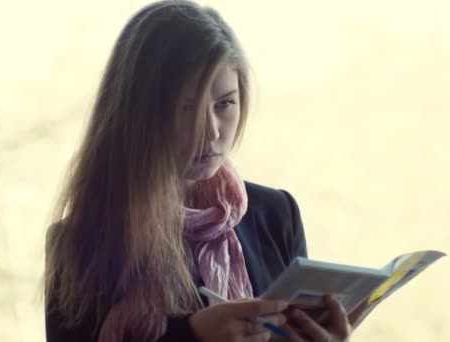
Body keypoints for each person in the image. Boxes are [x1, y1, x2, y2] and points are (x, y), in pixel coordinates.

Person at [42, 1, 364, 341]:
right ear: (138, 114)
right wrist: (193, 336)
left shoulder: (276, 216)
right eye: (186, 107)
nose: (210, 131)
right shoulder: (82, 243)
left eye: (225, 104)